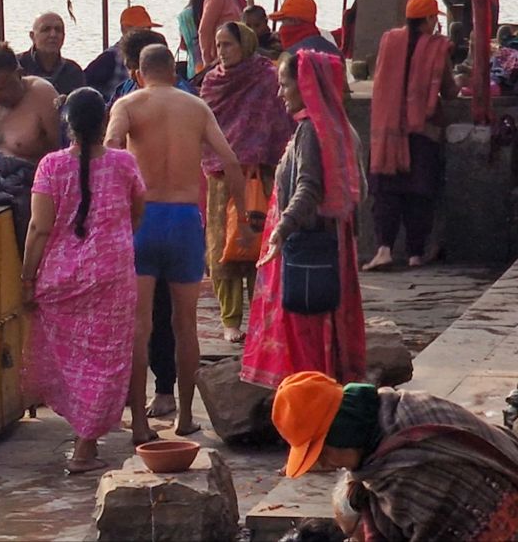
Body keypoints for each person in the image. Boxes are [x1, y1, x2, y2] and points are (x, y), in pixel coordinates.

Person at [106, 44, 245, 440]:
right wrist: (244, 218)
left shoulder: (128, 105)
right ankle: (185, 417)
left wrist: (115, 200)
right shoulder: (196, 107)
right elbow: (230, 160)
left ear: (138, 74)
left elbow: (111, 146)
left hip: (142, 220)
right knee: (186, 325)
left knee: (140, 326)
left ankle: (140, 423)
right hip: (184, 220)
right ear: (174, 71)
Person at [21, 88, 145, 473]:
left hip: (62, 278)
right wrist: (113, 241)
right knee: (106, 359)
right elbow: (136, 212)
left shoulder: (50, 166)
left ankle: (83, 439)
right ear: (104, 122)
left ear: (68, 125)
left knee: (73, 359)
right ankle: (85, 445)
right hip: (112, 273)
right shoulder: (124, 163)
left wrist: (27, 277)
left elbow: (39, 228)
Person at [240, 51, 366, 389]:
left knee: (306, 336)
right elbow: (359, 191)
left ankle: (311, 403)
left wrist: (282, 229)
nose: (280, 92)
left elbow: (309, 187)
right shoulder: (341, 128)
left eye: (285, 84)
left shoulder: (311, 131)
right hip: (333, 247)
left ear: (307, 85)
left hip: (307, 251)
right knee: (328, 332)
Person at [272, 371, 518, 541]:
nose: (325, 464)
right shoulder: (398, 405)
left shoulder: (405, 477)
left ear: (341, 438)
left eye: (322, 454)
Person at [200, 23, 295, 343]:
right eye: (218, 45)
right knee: (222, 249)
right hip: (221, 177)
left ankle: (260, 315)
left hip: (260, 174)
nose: (221, 51)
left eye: (228, 44)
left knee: (259, 243)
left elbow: (279, 122)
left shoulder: (267, 78)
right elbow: (205, 129)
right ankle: (230, 320)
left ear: (245, 44)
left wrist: (260, 155)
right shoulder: (212, 82)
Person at [364, 0, 459, 272]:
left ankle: (384, 250)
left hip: (387, 131)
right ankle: (416, 254)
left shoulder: (389, 41)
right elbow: (449, 91)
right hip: (422, 132)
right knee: (419, 193)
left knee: (386, 193)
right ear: (428, 19)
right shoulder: (437, 48)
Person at [84, 5, 162, 99]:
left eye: (148, 29)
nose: (147, 33)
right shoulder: (110, 57)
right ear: (125, 28)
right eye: (141, 29)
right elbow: (83, 83)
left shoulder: (154, 56)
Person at [18, 12, 86, 97]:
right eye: (46, 29)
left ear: (64, 36)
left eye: (58, 30)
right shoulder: (16, 66)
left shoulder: (73, 71)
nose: (53, 35)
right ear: (32, 36)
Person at [269, 0, 343, 58]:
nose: (281, 29)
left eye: (283, 22)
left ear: (294, 21)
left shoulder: (293, 57)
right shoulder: (335, 52)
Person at [176, 0, 214, 78]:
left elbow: (183, 45)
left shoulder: (183, 16)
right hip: (210, 64)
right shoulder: (210, 12)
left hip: (192, 68)